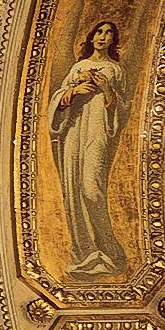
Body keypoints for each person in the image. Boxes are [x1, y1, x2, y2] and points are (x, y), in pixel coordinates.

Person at [48, 20, 131, 277]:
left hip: (97, 132)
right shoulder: (78, 67)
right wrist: (73, 91)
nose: (103, 37)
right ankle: (84, 253)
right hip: (74, 131)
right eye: (99, 32)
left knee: (91, 188)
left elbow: (123, 108)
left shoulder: (116, 70)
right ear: (92, 36)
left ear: (113, 41)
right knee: (73, 189)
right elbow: (57, 99)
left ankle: (111, 252)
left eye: (108, 33)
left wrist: (106, 89)